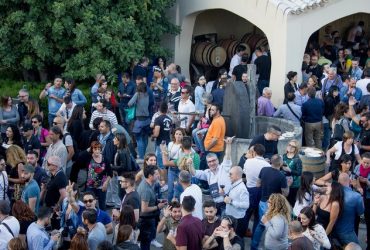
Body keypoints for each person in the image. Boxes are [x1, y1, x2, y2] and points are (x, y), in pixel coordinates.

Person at [251, 154, 290, 250]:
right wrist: (288, 184)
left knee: (260, 225)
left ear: (270, 162)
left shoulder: (264, 169)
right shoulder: (281, 176)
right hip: (274, 205)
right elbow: (285, 194)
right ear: (280, 163)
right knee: (274, 227)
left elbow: (257, 184)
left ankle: (253, 247)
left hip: (262, 202)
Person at [193, 137, 233, 214]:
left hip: (226, 203)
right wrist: (189, 164)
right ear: (207, 164)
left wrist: (228, 144)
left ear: (218, 160)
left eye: (214, 160)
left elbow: (227, 156)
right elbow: (194, 173)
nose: (212, 163)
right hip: (215, 203)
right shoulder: (207, 173)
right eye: (209, 162)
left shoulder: (224, 168)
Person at [137, 165, 166, 250]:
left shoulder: (149, 183)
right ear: (150, 176)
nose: (158, 176)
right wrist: (158, 206)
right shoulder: (146, 189)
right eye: (156, 174)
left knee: (146, 242)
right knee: (145, 244)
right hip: (145, 220)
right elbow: (144, 209)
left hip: (148, 218)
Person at [333, 173, 364, 246]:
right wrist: (360, 194)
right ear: (350, 181)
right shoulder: (356, 196)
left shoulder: (332, 192)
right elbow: (361, 212)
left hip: (333, 230)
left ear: (338, 181)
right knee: (356, 247)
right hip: (347, 232)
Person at [41, 155, 67, 228]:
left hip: (55, 209)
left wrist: (57, 205)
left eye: (48, 164)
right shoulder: (54, 175)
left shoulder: (60, 177)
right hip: (50, 207)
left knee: (56, 227)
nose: (47, 165)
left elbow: (63, 194)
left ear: (55, 166)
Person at [224, 166, 249, 238]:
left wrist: (231, 202)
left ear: (237, 175)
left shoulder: (242, 189)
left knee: (237, 240)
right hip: (231, 217)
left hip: (238, 220)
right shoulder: (234, 184)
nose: (229, 175)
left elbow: (246, 205)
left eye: (231, 174)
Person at [85, 141, 112, 210]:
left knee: (102, 205)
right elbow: (79, 158)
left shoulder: (105, 159)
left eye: (99, 149)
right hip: (90, 185)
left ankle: (103, 220)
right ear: (92, 149)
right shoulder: (88, 157)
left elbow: (110, 173)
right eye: (95, 149)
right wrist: (86, 151)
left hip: (101, 185)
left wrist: (106, 183)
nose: (97, 151)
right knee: (89, 203)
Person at [128, 82, 151, 160]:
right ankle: (143, 154)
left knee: (139, 139)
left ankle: (141, 157)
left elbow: (129, 103)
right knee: (145, 137)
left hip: (139, 120)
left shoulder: (137, 94)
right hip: (147, 119)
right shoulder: (147, 94)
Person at [354, 152, 370, 247]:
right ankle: (355, 239)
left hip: (368, 198)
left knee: (368, 219)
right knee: (356, 219)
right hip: (358, 196)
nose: (365, 165)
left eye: (368, 163)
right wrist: (358, 184)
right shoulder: (357, 167)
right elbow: (354, 178)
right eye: (364, 162)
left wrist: (367, 182)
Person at [152, 101, 172, 171]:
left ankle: (162, 180)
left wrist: (153, 136)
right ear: (166, 109)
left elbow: (157, 133)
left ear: (159, 109)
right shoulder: (169, 119)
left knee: (160, 164)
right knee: (167, 161)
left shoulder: (158, 119)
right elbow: (170, 132)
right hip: (168, 142)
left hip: (160, 143)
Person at [283, 139, 303, 206]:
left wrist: (290, 170)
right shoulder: (284, 156)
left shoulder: (297, 159)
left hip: (293, 185)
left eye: (293, 146)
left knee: (290, 202)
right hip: (284, 182)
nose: (290, 147)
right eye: (289, 145)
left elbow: (299, 172)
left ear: (296, 149)